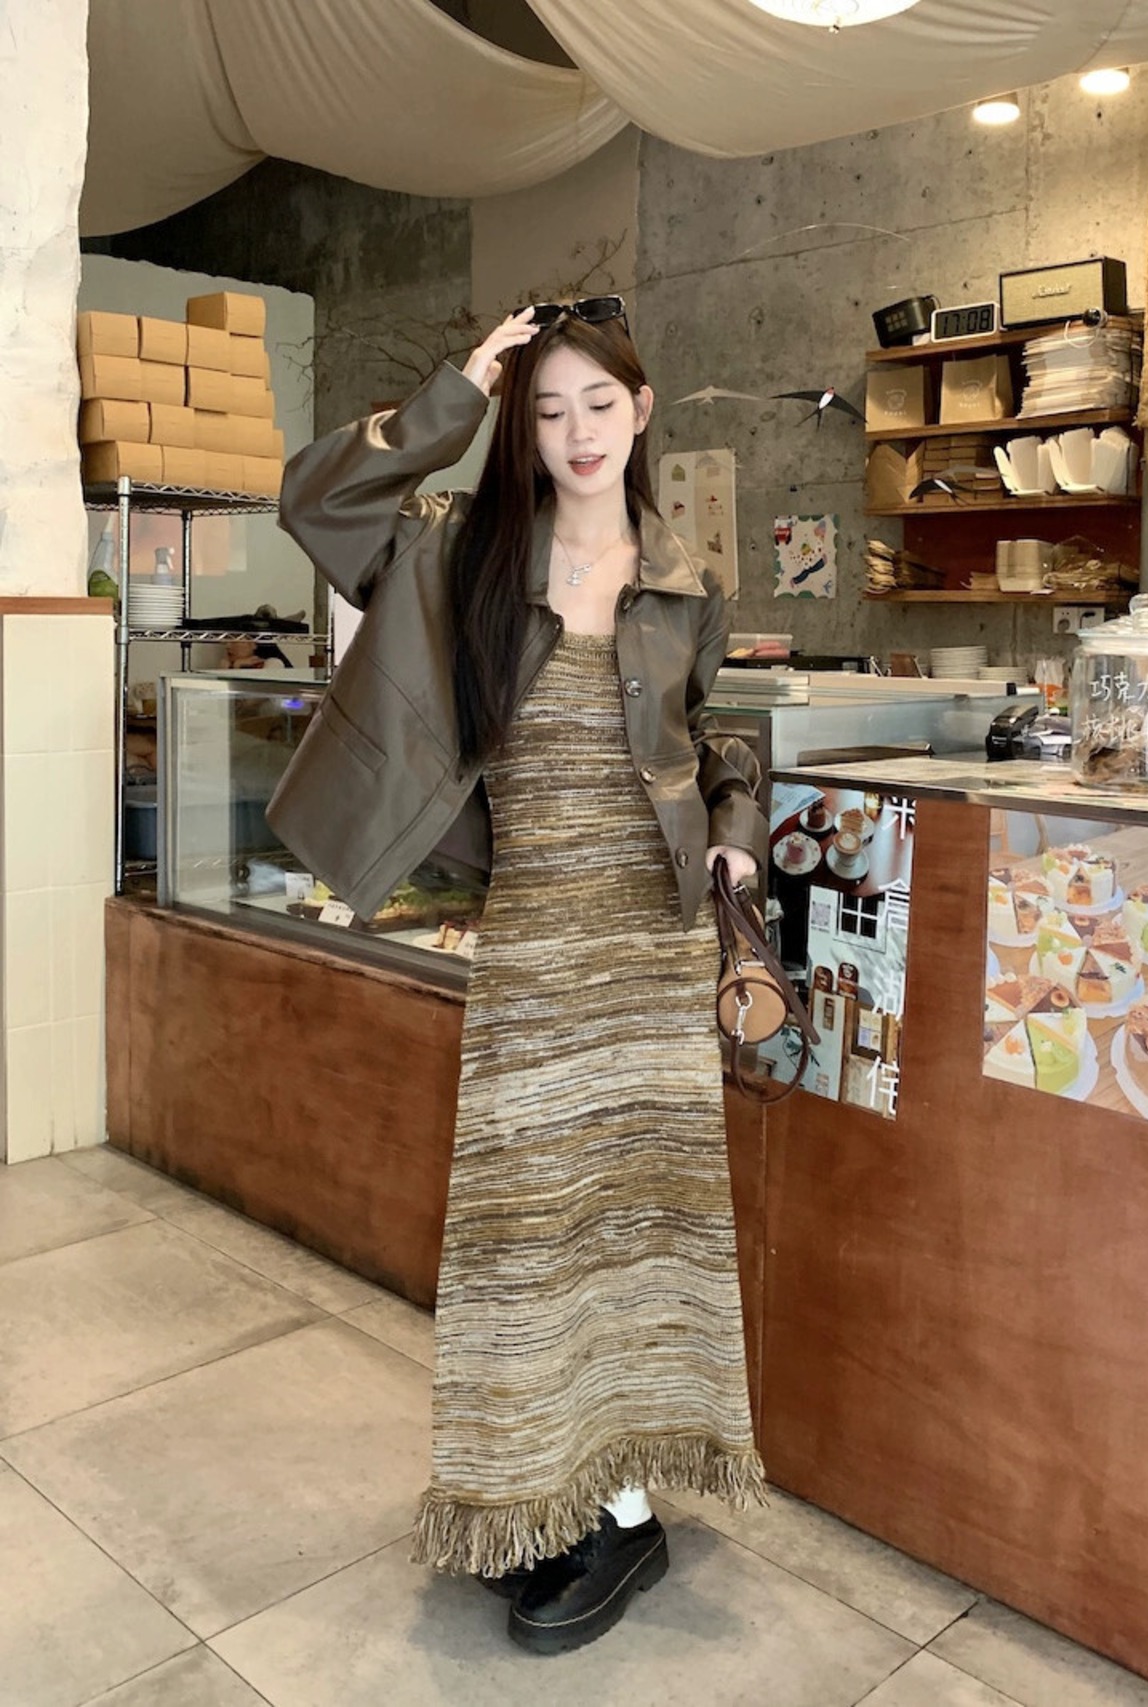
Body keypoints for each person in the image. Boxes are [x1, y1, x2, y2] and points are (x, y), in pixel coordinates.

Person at [266, 295, 768, 1655]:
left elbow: (717, 732)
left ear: (641, 410)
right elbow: (315, 501)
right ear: (519, 423)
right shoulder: (463, 551)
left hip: (653, 945)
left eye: (599, 403)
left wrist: (734, 832)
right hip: (538, 934)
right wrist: (461, 386)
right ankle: (543, 1490)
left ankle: (623, 1513)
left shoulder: (689, 578)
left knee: (636, 1228)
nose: (576, 432)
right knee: (527, 1232)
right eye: (545, 409)